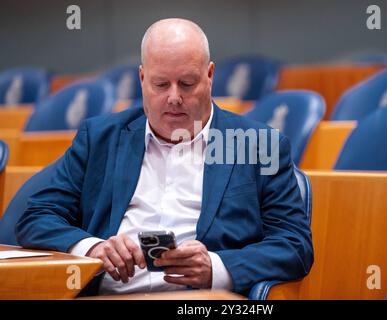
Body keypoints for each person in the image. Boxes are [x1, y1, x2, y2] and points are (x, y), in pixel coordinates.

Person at [16, 18, 313, 296]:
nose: (174, 98)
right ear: (142, 79)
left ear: (209, 76)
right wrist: (91, 248)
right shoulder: (99, 138)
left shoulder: (258, 145)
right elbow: (37, 217)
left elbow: (294, 245)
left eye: (187, 83)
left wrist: (217, 267)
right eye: (161, 85)